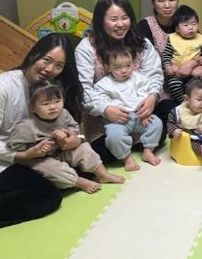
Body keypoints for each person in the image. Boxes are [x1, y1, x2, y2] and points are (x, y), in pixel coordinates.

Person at [0, 34, 83, 227]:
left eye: (59, 65)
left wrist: (77, 139)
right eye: (47, 60)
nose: (50, 69)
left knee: (83, 168)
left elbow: (75, 127)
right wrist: (21, 155)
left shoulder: (52, 89)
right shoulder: (5, 86)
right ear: (33, 55)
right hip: (7, 161)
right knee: (49, 197)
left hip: (40, 159)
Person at [77, 0, 163, 162]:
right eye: (113, 19)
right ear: (100, 21)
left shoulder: (142, 43)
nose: (120, 24)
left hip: (140, 115)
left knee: (160, 129)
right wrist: (105, 109)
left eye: (124, 18)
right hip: (104, 121)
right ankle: (126, 149)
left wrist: (152, 97)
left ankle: (140, 146)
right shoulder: (86, 48)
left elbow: (154, 75)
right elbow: (83, 89)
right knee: (102, 153)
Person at [8, 81, 124, 193]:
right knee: (51, 169)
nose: (53, 107)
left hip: (63, 151)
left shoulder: (64, 113)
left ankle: (103, 174)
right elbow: (15, 149)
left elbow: (76, 129)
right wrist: (34, 150)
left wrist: (69, 133)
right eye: (45, 104)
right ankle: (79, 182)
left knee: (84, 148)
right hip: (41, 159)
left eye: (57, 101)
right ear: (32, 107)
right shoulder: (25, 126)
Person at [89, 45, 163, 170]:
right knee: (114, 136)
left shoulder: (137, 78)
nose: (124, 70)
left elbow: (145, 92)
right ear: (108, 67)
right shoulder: (104, 84)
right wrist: (109, 108)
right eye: (118, 67)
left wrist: (144, 112)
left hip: (139, 115)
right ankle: (126, 158)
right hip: (118, 120)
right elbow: (99, 99)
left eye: (128, 66)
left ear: (133, 63)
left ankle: (148, 150)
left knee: (156, 123)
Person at [137, 0, 182, 138]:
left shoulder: (184, 21)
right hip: (158, 89)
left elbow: (198, 47)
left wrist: (198, 63)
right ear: (153, 3)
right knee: (177, 116)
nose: (167, 5)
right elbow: (143, 65)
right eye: (161, 0)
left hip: (185, 84)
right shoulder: (145, 26)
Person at [161, 5, 202, 104]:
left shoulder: (200, 38)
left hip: (195, 72)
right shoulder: (173, 39)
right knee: (173, 84)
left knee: (201, 84)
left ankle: (197, 102)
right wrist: (167, 66)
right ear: (177, 28)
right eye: (186, 25)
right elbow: (166, 55)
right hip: (177, 73)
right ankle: (184, 102)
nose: (191, 28)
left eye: (194, 24)